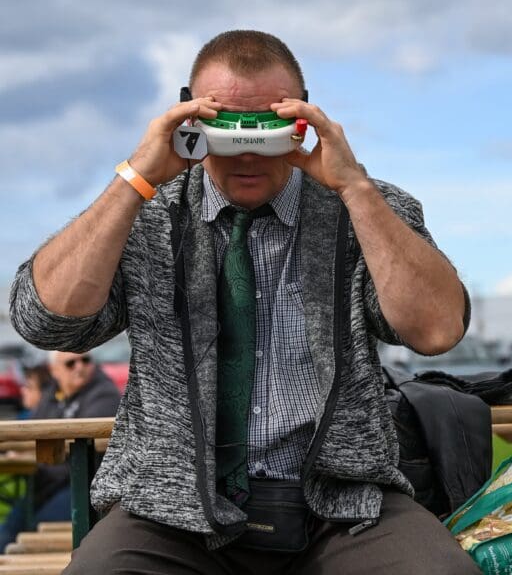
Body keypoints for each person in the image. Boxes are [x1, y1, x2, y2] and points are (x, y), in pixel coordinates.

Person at [9, 30, 478, 574]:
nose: (249, 150)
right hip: (172, 508)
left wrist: (355, 189)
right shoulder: (145, 213)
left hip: (340, 504)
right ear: (190, 118)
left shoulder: (367, 207)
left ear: (302, 119)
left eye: (270, 128)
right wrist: (136, 177)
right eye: (227, 128)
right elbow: (44, 322)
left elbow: (439, 331)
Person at [0, 351, 120, 548]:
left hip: (84, 483)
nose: (79, 367)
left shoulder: (103, 394)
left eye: (85, 360)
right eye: (71, 363)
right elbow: (32, 427)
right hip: (47, 481)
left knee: (36, 531)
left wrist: (30, 453)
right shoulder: (54, 394)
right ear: (54, 371)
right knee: (7, 533)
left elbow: (80, 438)